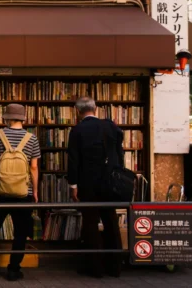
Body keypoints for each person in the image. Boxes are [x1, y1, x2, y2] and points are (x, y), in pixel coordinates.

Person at [0, 104, 40, 282]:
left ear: (7, 118)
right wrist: (34, 191)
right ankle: (13, 269)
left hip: (1, 191)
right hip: (23, 192)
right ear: (22, 118)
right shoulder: (32, 138)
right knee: (21, 231)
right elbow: (34, 167)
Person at [67, 97, 123, 278]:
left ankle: (95, 267)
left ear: (77, 111)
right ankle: (115, 266)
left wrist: (73, 185)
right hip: (110, 182)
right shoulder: (111, 126)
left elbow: (73, 160)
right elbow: (119, 152)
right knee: (111, 221)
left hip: (88, 184)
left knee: (90, 223)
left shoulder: (77, 131)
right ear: (96, 109)